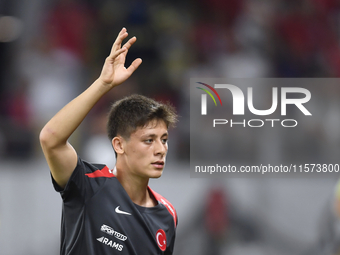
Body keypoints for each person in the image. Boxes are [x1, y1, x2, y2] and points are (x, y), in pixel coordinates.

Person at [39, 27, 178, 255]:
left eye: (164, 140)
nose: (160, 149)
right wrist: (103, 84)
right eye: (149, 140)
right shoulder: (88, 185)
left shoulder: (168, 214)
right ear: (118, 145)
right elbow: (50, 138)